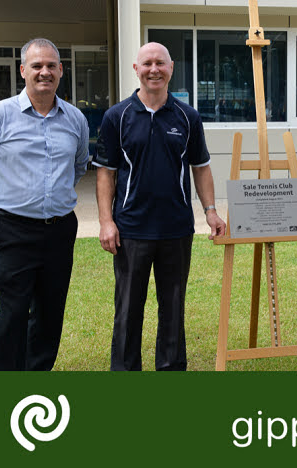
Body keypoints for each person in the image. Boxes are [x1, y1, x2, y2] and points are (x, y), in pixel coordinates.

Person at [94, 42, 226, 371]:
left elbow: (201, 167)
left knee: (173, 307)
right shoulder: (116, 116)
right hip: (131, 231)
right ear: (136, 69)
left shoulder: (188, 116)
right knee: (127, 309)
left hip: (176, 230)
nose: (155, 69)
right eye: (148, 63)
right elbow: (105, 175)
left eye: (161, 63)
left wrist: (210, 210)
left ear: (170, 69)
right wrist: (106, 221)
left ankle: (170, 371)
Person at [0, 38, 89, 371]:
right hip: (12, 229)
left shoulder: (75, 119)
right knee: (13, 314)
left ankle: (35, 385)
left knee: (49, 314)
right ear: (22, 71)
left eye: (51, 66)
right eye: (36, 66)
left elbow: (77, 167)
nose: (44, 72)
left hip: (59, 231)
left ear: (61, 70)